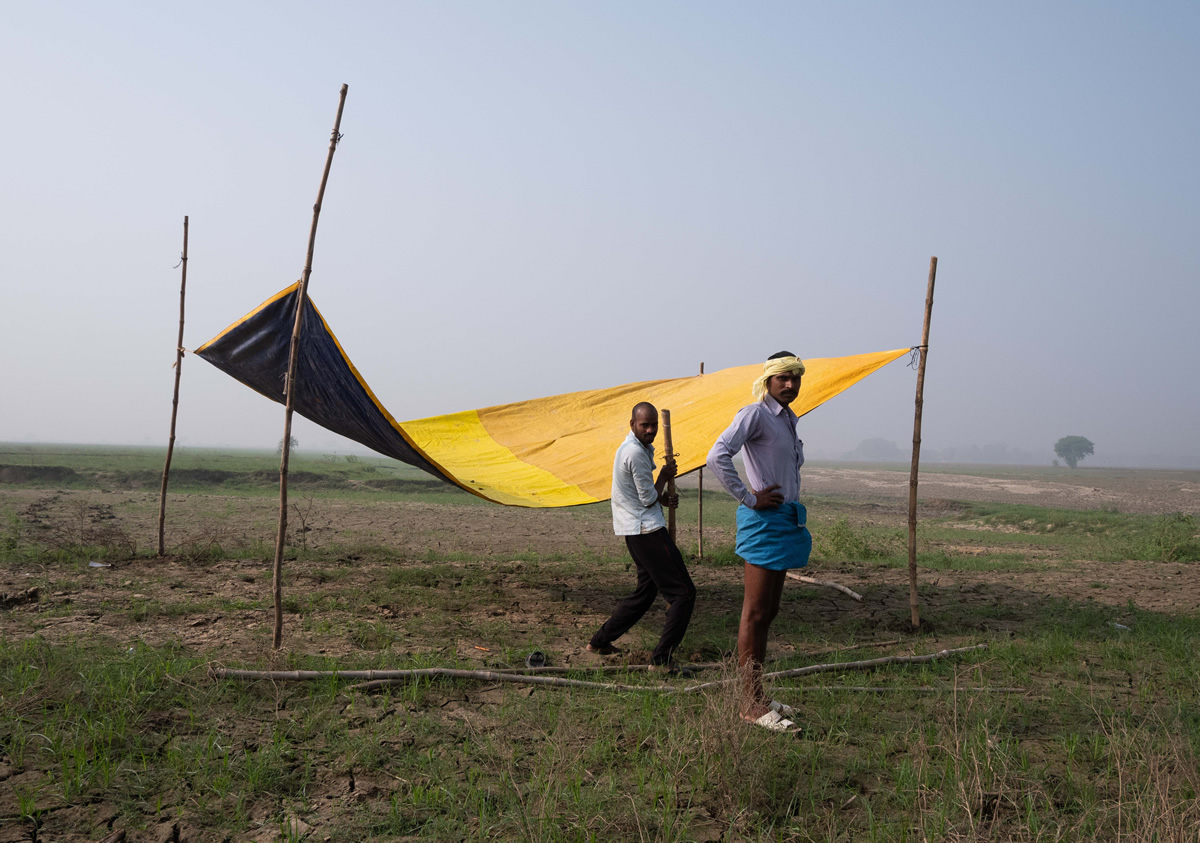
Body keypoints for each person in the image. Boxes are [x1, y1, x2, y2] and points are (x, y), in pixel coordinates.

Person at [706, 351, 813, 731]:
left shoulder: (787, 419)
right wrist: (749, 497)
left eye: (795, 378)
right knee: (754, 612)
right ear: (767, 380)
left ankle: (759, 694)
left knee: (769, 611)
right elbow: (717, 455)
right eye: (782, 377)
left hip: (784, 520)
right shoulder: (754, 414)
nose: (790, 384)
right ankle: (749, 704)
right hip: (763, 520)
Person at [588, 402, 696, 673]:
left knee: (646, 592)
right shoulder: (635, 453)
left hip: (635, 530)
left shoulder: (640, 448)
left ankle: (600, 641)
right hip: (646, 530)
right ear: (632, 425)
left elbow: (644, 494)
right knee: (683, 594)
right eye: (644, 425)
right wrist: (664, 475)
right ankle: (661, 661)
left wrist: (664, 498)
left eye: (653, 425)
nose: (650, 430)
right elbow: (648, 499)